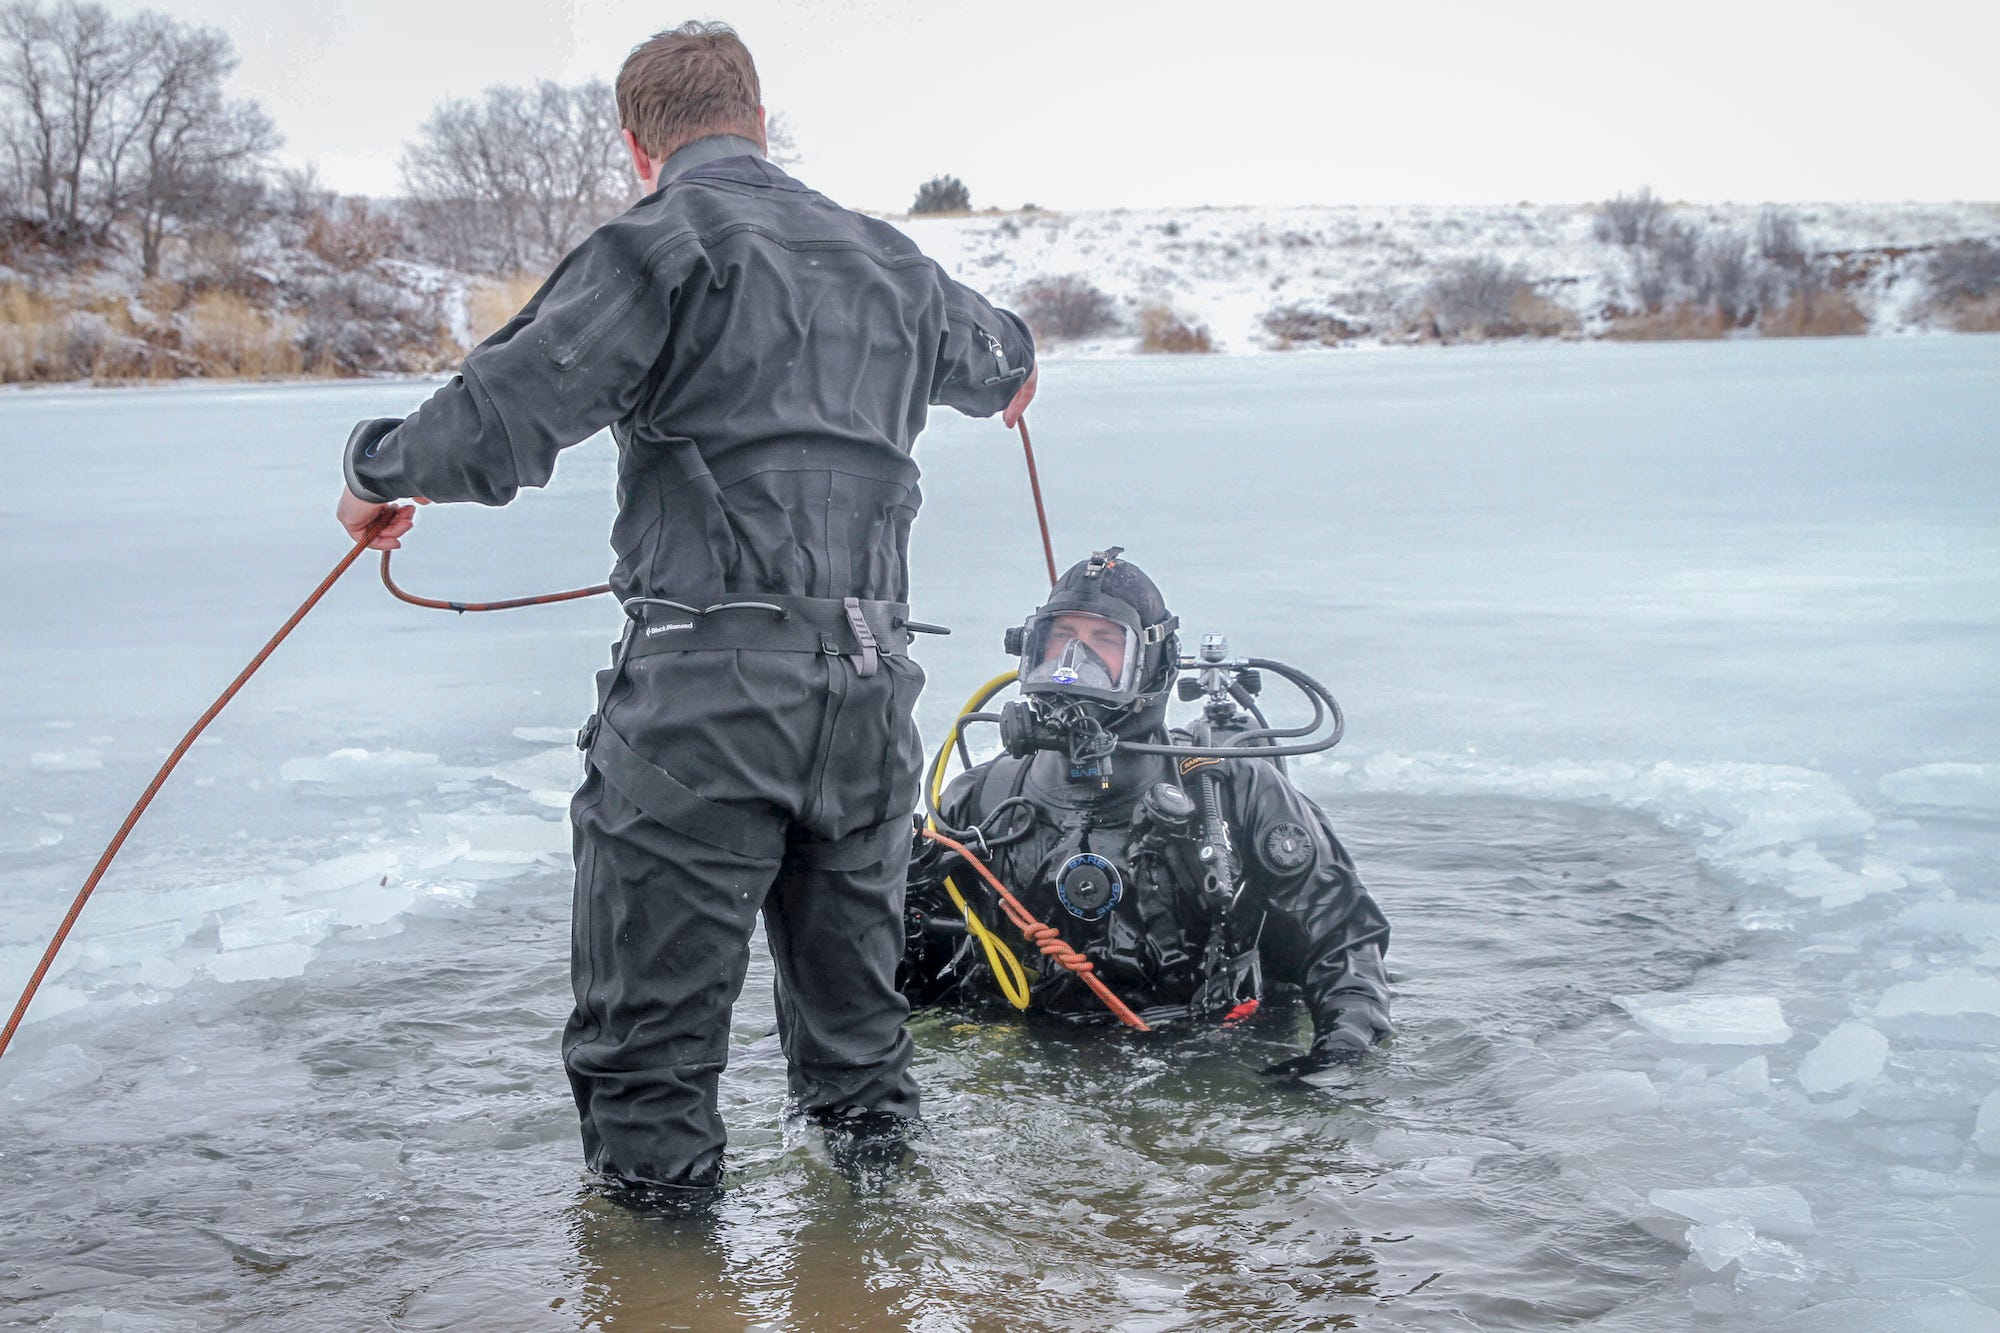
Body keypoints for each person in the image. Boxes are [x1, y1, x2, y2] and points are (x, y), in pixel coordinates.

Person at [334, 22, 1036, 1196]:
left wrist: (371, 475)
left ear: (635, 146)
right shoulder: (897, 264)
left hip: (702, 708)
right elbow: (1004, 358)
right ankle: (870, 1286)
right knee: (861, 1068)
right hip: (868, 705)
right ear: (761, 119)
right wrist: (1007, 370)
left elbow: (495, 420)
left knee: (647, 1072)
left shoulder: (658, 244)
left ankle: (664, 1290)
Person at [903, 550, 1391, 1073]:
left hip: (1206, 1054)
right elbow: (917, 973)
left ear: (1152, 662)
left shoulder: (1230, 788)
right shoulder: (982, 797)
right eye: (1061, 639)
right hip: (1024, 1052)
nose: (1074, 660)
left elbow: (1342, 937)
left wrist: (1339, 1059)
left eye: (1103, 643)